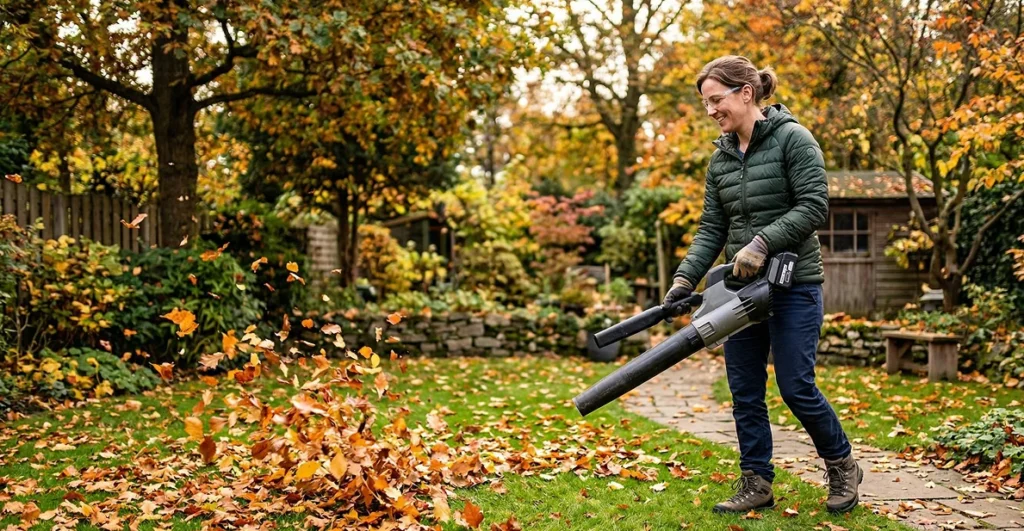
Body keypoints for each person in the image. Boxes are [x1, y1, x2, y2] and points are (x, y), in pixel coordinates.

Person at [663, 55, 862, 514]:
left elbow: (814, 206)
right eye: (706, 104)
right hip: (741, 292)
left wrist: (761, 242)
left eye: (716, 100)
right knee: (745, 390)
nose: (711, 110)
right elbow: (712, 226)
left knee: (795, 386)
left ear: (746, 93)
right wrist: (684, 277)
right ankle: (757, 482)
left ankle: (842, 465)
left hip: (794, 285)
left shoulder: (795, 139)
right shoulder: (721, 159)